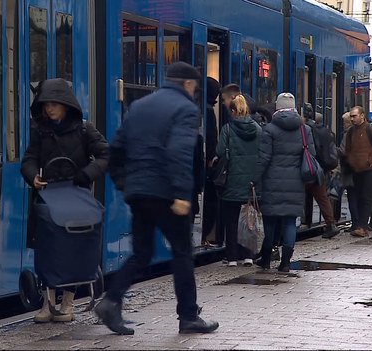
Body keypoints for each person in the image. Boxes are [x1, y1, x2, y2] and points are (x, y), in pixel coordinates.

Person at [96, 62, 219, 335]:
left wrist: (125, 184)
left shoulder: (139, 106)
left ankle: (111, 300)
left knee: (142, 253)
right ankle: (188, 317)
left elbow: (115, 148)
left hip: (139, 192)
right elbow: (178, 152)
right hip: (167, 193)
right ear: (188, 84)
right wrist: (180, 194)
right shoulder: (186, 109)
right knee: (182, 253)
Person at [20, 78, 109, 323]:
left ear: (66, 105)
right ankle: (49, 305)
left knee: (73, 249)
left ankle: (67, 304)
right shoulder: (41, 131)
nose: (49, 109)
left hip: (75, 196)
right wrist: (32, 178)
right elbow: (29, 159)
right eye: (46, 105)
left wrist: (86, 175)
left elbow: (106, 155)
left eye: (54, 104)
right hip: (48, 196)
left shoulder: (84, 129)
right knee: (48, 249)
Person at [253, 93, 315, 272]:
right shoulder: (305, 130)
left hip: (272, 183)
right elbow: (311, 155)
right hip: (295, 183)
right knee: (289, 222)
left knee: (270, 222)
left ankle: (265, 260)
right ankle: (286, 263)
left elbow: (263, 158)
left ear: (277, 108)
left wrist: (254, 179)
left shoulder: (270, 129)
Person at [214, 94, 262, 267]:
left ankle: (232, 258)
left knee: (231, 221)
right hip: (251, 183)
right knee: (248, 221)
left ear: (233, 111)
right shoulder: (257, 129)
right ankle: (248, 256)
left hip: (231, 182)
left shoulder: (227, 129)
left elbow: (219, 151)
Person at [345, 106, 372, 238]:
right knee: (358, 197)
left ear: (362, 116)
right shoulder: (351, 131)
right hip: (357, 169)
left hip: (371, 169)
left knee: (367, 198)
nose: (352, 119)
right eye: (351, 116)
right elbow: (348, 149)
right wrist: (352, 162)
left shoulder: (371, 129)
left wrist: (370, 160)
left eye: (354, 116)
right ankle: (359, 225)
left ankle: (363, 226)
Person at [302, 102, 340, 239]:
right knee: (322, 197)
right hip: (319, 169)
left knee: (299, 194)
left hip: (307, 167)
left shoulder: (305, 129)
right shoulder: (322, 128)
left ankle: (299, 221)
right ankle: (331, 224)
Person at [201, 77, 222, 247]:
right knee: (211, 202)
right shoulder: (209, 111)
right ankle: (205, 235)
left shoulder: (203, 109)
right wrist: (212, 158)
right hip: (207, 164)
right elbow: (212, 138)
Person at [338, 112, 359, 233]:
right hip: (360, 169)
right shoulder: (360, 132)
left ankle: (355, 223)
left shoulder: (348, 134)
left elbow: (343, 151)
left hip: (350, 169)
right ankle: (360, 223)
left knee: (352, 197)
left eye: (344, 123)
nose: (343, 125)